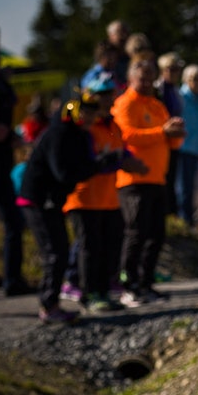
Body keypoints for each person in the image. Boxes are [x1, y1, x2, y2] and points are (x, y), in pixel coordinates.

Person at [17, 89, 119, 322]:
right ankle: (49, 305)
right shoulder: (59, 134)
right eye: (85, 112)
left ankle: (51, 303)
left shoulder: (80, 135)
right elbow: (63, 173)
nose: (90, 117)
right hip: (38, 200)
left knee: (61, 250)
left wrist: (100, 163)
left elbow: (78, 169)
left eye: (93, 113)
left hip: (52, 201)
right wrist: (97, 165)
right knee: (56, 252)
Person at [63, 77, 148, 313]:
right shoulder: (85, 127)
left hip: (108, 199)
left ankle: (102, 292)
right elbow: (90, 161)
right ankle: (88, 293)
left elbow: (122, 150)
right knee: (89, 248)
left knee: (106, 248)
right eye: (105, 94)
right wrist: (120, 162)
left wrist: (130, 161)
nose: (111, 98)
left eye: (111, 93)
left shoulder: (113, 125)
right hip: (84, 198)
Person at [111, 57, 186, 307]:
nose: (146, 83)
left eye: (150, 79)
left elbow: (171, 142)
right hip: (133, 180)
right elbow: (127, 135)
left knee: (156, 235)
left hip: (157, 179)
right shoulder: (124, 104)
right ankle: (128, 285)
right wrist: (162, 132)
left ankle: (145, 283)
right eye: (141, 79)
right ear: (131, 79)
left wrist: (176, 132)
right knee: (136, 233)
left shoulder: (156, 105)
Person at [0, 24, 32, 297]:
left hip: (2, 164)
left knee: (14, 222)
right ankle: (10, 279)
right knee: (12, 221)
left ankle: (12, 279)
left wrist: (11, 137)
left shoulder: (2, 86)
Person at [174, 63, 198, 226]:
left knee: (193, 187)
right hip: (182, 147)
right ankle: (183, 220)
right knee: (182, 187)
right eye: (192, 78)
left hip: (196, 148)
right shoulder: (180, 97)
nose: (196, 82)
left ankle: (190, 221)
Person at [156, 52, 185, 217]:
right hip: (160, 139)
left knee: (172, 181)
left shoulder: (175, 91)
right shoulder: (157, 89)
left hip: (174, 141)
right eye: (171, 69)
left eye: (177, 69)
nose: (175, 73)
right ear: (163, 70)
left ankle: (171, 217)